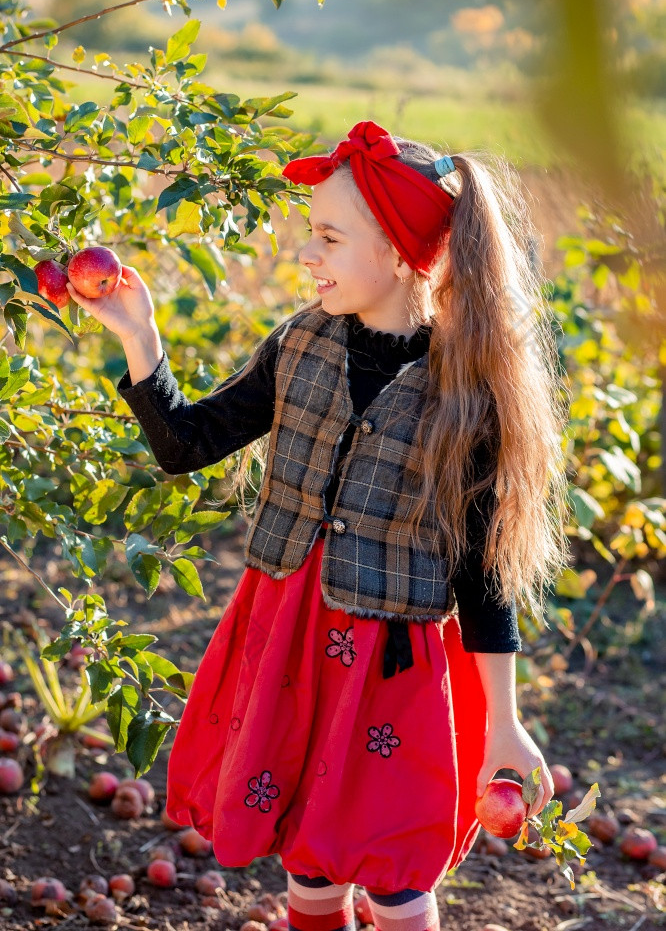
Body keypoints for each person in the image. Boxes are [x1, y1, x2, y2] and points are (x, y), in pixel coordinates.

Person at [66, 119, 570, 931]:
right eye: (312, 234)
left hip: (391, 668)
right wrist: (140, 339)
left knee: (397, 872)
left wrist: (503, 722)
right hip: (287, 637)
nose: (308, 255)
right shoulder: (298, 344)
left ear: (403, 254)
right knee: (307, 858)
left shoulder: (465, 393)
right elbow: (187, 445)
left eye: (329, 237)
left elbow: (485, 574)